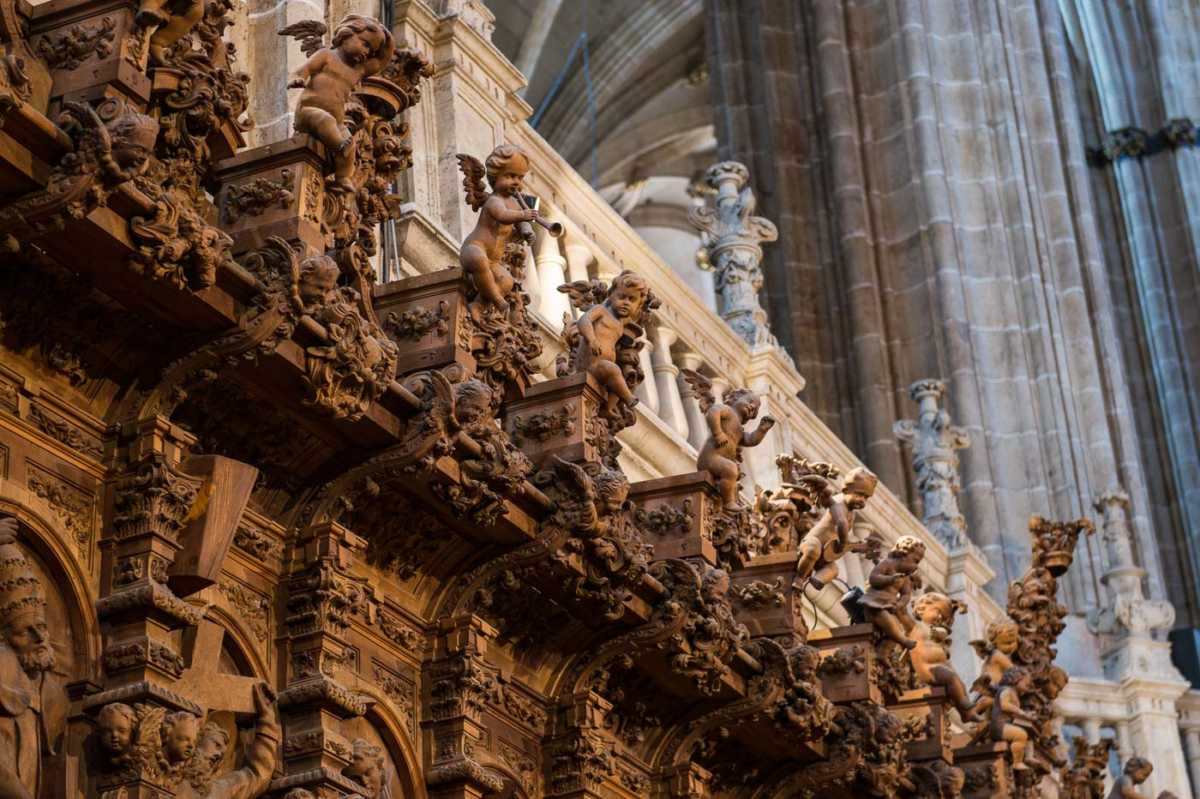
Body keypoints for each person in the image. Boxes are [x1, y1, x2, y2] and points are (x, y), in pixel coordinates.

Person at [289, 15, 396, 191]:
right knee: (326, 122)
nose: (367, 52)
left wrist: (387, 38)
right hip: (308, 112)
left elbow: (382, 61)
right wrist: (297, 79)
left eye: (370, 50)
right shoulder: (326, 56)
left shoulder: (358, 71)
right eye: (365, 44)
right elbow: (304, 70)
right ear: (347, 34)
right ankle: (338, 145)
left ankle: (342, 177)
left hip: (337, 121)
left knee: (350, 144)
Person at [573, 272, 650, 419]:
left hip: (604, 368)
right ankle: (629, 399)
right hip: (591, 364)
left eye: (632, 299)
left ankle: (608, 408)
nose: (626, 302)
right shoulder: (601, 311)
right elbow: (584, 320)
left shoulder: (621, 323)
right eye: (622, 297)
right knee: (613, 370)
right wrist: (592, 339)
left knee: (618, 378)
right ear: (611, 296)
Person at [793, 467, 878, 591]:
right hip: (813, 542)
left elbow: (844, 539)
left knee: (833, 569)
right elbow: (841, 523)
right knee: (813, 549)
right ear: (846, 489)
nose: (862, 501)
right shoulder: (837, 503)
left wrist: (860, 547)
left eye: (866, 498)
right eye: (859, 494)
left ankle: (816, 580)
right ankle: (799, 578)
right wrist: (843, 543)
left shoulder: (851, 514)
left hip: (825, 553)